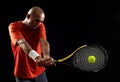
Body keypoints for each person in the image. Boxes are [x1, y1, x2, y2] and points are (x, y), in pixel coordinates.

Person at [8, 6, 56, 82]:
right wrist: (37, 58)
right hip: (23, 74)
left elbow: (44, 42)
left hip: (40, 72)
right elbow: (22, 43)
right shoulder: (14, 26)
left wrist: (46, 56)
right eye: (36, 20)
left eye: (41, 21)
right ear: (28, 16)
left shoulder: (40, 26)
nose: (39, 24)